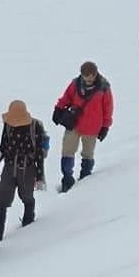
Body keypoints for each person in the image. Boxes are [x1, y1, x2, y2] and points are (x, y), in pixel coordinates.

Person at [52, 61, 113, 192]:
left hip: (93, 126)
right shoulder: (75, 84)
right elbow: (66, 97)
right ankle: (67, 179)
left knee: (87, 154)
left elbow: (108, 108)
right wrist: (58, 109)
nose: (88, 80)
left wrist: (105, 126)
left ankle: (85, 179)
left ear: (95, 74)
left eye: (90, 77)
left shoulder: (104, 87)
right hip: (74, 123)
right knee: (67, 151)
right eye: (85, 77)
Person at [0, 100, 49, 233]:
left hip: (27, 167)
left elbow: (38, 152)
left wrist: (39, 176)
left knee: (26, 195)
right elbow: (3, 146)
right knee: (2, 197)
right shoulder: (7, 125)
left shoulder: (35, 126)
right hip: (9, 166)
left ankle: (28, 221)